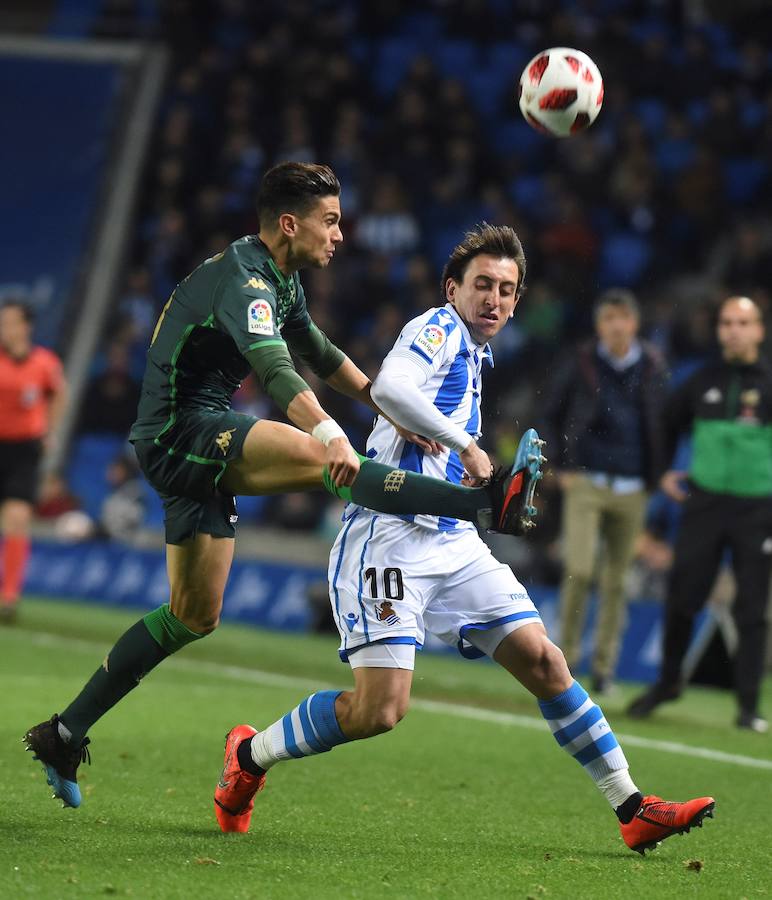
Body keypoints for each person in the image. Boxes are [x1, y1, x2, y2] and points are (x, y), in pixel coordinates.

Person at [24, 163, 532, 807]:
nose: (340, 235)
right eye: (331, 221)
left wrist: (386, 405)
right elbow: (275, 368)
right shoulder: (246, 282)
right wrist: (330, 432)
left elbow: (318, 352)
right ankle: (481, 503)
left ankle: (64, 732)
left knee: (193, 616)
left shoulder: (279, 278)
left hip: (188, 440)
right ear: (290, 224)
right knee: (330, 464)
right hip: (184, 427)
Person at [215, 225, 715, 855]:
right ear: (453, 289)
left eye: (506, 290)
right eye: (482, 284)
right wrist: (468, 447)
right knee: (379, 711)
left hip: (452, 540)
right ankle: (250, 755)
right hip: (388, 538)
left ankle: (632, 806)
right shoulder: (439, 328)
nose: (494, 299)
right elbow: (390, 388)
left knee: (545, 661)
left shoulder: (476, 356)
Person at [628, 295, 772, 732]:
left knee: (752, 609)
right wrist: (663, 473)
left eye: (743, 323)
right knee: (683, 596)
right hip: (704, 505)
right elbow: (665, 423)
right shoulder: (701, 380)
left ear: (759, 330)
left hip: (757, 509)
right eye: (727, 322)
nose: (733, 330)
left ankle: (748, 706)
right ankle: (668, 683)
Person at [541, 289, 668, 692]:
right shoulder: (580, 361)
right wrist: (558, 466)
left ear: (634, 323)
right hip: (587, 481)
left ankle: (605, 668)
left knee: (617, 582)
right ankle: (565, 663)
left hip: (633, 487)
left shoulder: (653, 365)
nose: (616, 326)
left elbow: (664, 422)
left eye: (623, 318)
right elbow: (550, 412)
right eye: (609, 319)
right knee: (579, 569)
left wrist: (657, 475)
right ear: (599, 326)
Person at [0, 300, 67, 624]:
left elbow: (59, 393)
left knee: (17, 518)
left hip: (24, 450)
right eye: (3, 322)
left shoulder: (44, 363)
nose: (5, 328)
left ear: (26, 326)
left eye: (11, 322)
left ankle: (9, 596)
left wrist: (49, 432)